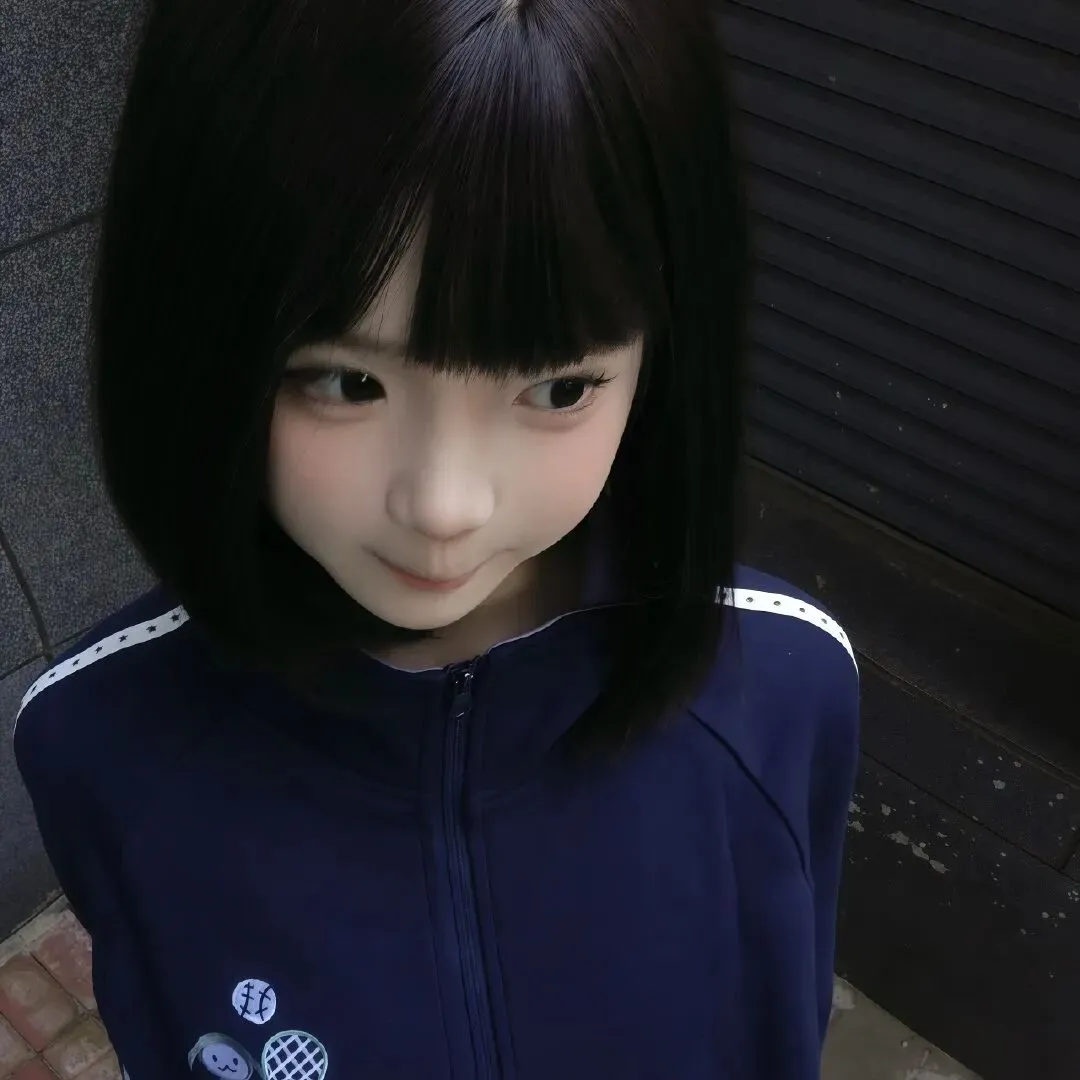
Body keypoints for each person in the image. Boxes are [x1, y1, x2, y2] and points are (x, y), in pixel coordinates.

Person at [13, 0, 860, 1076]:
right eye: (345, 381)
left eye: (558, 387)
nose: (445, 505)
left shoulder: (781, 686)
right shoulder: (101, 740)